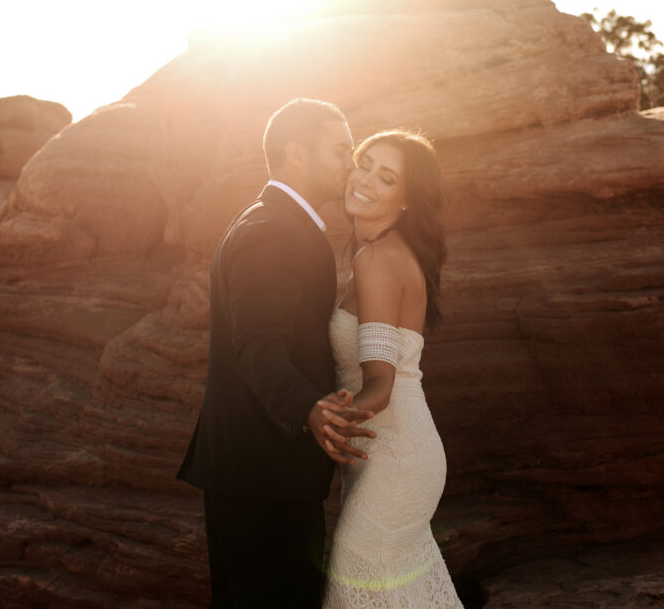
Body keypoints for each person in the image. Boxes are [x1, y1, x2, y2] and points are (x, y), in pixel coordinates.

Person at [177, 98, 376, 608]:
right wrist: (309, 410)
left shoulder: (279, 221)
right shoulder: (272, 232)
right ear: (297, 154)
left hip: (256, 470)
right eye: (340, 150)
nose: (350, 163)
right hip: (263, 474)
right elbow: (256, 345)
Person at [319, 130, 463, 608]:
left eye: (386, 178)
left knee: (355, 587)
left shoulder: (378, 257)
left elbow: (381, 383)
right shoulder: (392, 252)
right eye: (364, 163)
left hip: (395, 461)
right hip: (395, 453)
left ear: (405, 200)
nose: (364, 180)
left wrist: (326, 422)